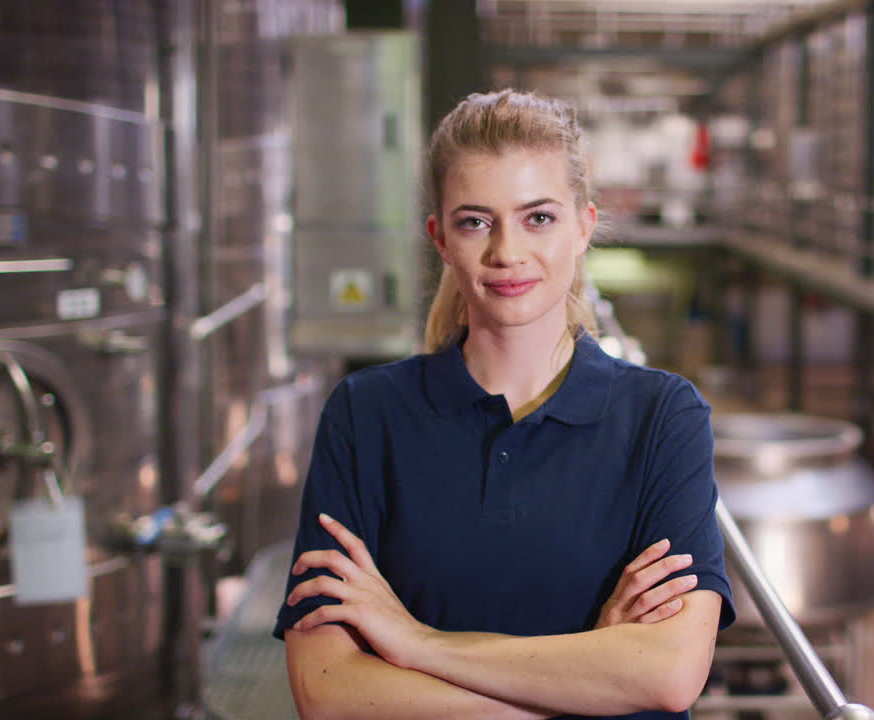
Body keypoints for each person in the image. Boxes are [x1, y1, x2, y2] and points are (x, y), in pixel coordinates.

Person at [275, 89, 735, 720]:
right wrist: (589, 678)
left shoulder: (662, 417)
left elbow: (670, 673)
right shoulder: (366, 414)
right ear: (440, 237)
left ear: (583, 226)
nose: (507, 253)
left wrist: (415, 643)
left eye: (538, 218)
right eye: (475, 222)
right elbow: (326, 689)